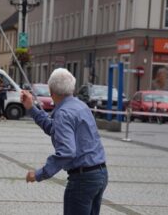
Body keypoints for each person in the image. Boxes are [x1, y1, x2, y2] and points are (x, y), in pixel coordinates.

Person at [20, 68, 108, 215]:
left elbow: (67, 151)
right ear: (72, 87)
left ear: (51, 90)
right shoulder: (81, 106)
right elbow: (53, 128)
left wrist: (39, 174)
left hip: (83, 179)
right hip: (100, 174)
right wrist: (31, 108)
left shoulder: (63, 113)